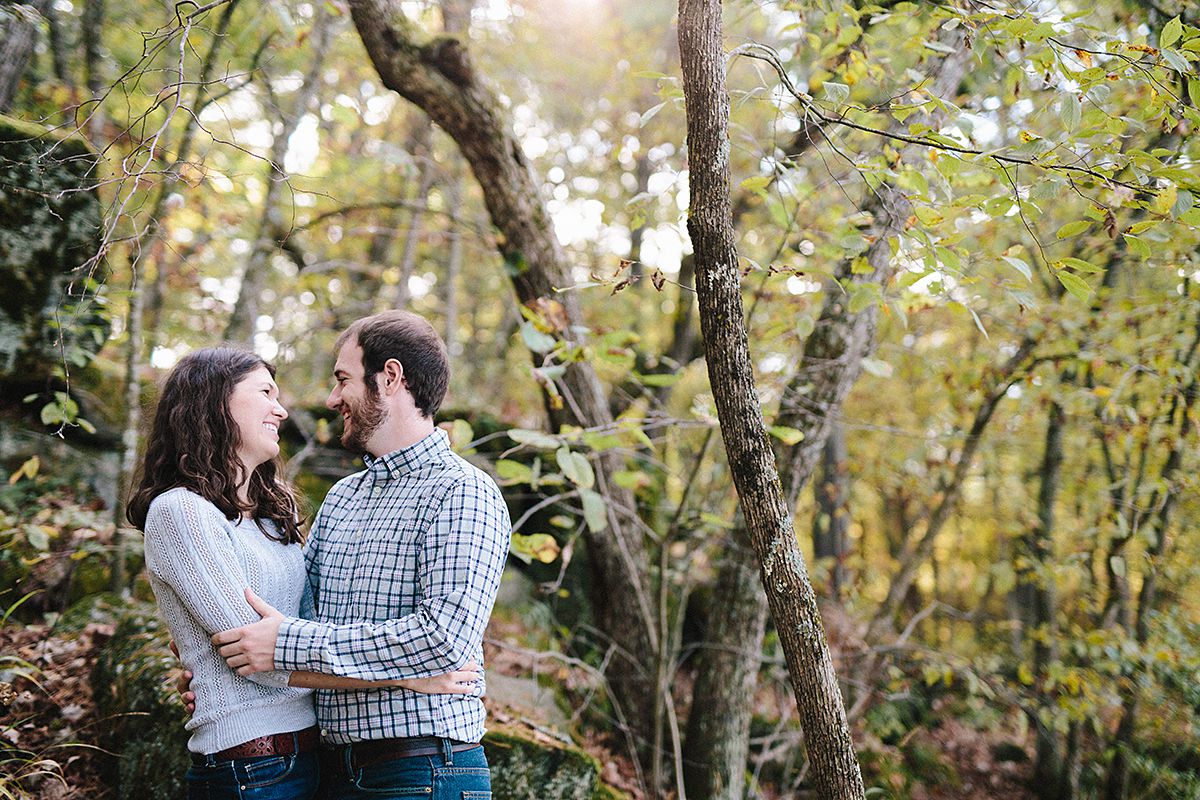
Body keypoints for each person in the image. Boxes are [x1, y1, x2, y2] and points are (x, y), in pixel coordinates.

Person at [129, 347, 479, 800]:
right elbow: (264, 658)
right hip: (249, 768)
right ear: (215, 401)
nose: (282, 408)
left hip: (316, 760)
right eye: (265, 392)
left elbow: (307, 629)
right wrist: (407, 677)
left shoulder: (273, 516)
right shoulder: (180, 511)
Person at [208, 312, 512, 800]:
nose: (332, 400)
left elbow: (442, 640)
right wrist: (221, 667)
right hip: (329, 768)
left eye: (343, 379)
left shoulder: (462, 491)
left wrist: (282, 645)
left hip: (422, 770)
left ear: (390, 378)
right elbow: (288, 619)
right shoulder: (343, 497)